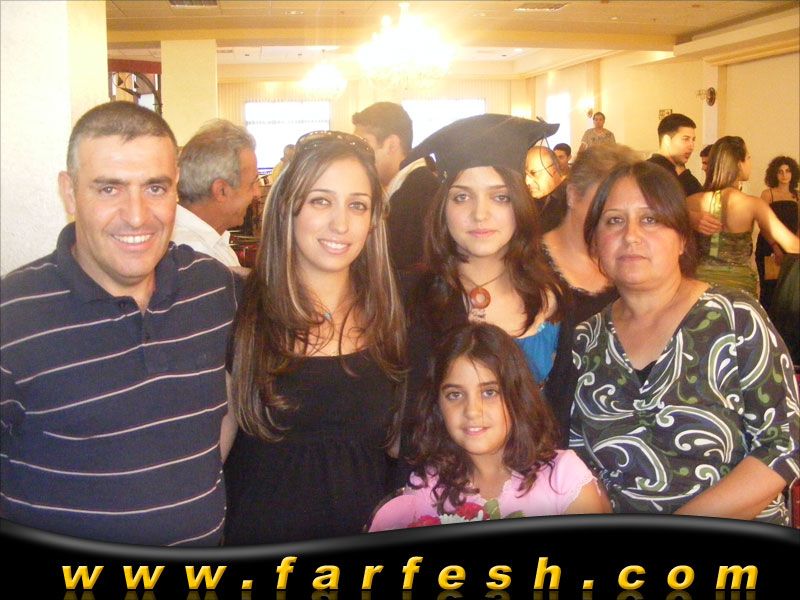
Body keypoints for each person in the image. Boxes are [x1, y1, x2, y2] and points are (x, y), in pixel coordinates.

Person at [0, 102, 241, 545]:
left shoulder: (212, 288)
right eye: (109, 189)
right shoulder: (12, 316)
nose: (136, 215)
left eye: (155, 188)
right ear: (69, 193)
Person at [570, 160, 799, 525]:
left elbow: (784, 443)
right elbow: (575, 464)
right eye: (614, 221)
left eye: (650, 219)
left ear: (681, 238)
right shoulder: (585, 339)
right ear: (595, 242)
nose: (631, 235)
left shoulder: (735, 318)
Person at [223, 130, 406, 544]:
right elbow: (207, 457)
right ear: (287, 207)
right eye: (321, 201)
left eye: (357, 205)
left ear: (373, 220)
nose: (340, 223)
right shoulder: (241, 310)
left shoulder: (394, 315)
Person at [400, 114, 566, 469]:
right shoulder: (408, 300)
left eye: (500, 197)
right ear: (442, 208)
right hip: (434, 484)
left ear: (520, 202)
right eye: (462, 197)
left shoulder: (552, 299)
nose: (480, 214)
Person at [368, 323, 609, 531]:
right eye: (454, 395)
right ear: (437, 406)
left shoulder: (563, 478)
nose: (472, 411)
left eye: (489, 392)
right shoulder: (426, 491)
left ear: (517, 396)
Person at [541, 144, 641, 437]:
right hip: (548, 434)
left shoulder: (631, 265)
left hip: (617, 435)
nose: (611, 219)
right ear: (573, 195)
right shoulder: (528, 266)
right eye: (603, 204)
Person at [687, 136, 799, 296]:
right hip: (739, 290)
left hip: (700, 287)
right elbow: (792, 245)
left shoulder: (692, 201)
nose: (750, 163)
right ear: (739, 164)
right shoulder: (753, 204)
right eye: (748, 158)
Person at [352, 101, 440, 272]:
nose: (357, 155)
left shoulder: (422, 193)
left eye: (364, 144)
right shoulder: (402, 188)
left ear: (391, 145)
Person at [172, 119, 260, 267]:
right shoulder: (193, 258)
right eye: (252, 184)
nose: (257, 193)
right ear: (221, 191)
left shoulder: (211, 241)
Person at [755, 156, 799, 307]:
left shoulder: (797, 195)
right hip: (768, 246)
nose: (784, 175)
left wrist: (795, 248)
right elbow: (763, 224)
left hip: (790, 248)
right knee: (769, 289)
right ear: (774, 174)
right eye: (780, 171)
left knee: (788, 290)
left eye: (788, 171)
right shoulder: (768, 194)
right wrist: (775, 247)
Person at [647, 113, 703, 198]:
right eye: (685, 139)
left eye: (693, 140)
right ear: (666, 140)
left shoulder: (683, 174)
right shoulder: (650, 172)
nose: (692, 146)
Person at [525, 144, 567, 233]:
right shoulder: (536, 198)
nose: (527, 181)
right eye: (526, 174)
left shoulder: (572, 200)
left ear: (553, 169)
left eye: (533, 173)